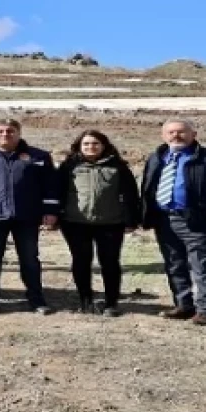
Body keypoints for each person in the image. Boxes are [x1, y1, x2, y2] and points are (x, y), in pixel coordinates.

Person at [141, 119, 206, 326]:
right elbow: (148, 187)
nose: (176, 136)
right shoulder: (157, 157)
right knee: (174, 264)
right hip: (164, 219)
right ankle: (184, 304)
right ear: (163, 135)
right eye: (171, 132)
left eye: (181, 132)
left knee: (203, 266)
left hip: (197, 220)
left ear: (193, 134)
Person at [0, 119, 60, 315]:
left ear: (18, 133)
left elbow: (51, 185)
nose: (5, 134)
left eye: (10, 131)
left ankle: (37, 300)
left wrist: (50, 211)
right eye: (0, 131)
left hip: (27, 216)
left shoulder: (38, 156)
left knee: (30, 259)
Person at [56, 130, 142, 317]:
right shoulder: (69, 167)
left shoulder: (118, 167)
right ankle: (85, 301)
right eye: (86, 144)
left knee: (110, 263)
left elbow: (130, 195)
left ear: (104, 145)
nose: (90, 147)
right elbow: (59, 193)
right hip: (75, 222)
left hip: (110, 223)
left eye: (95, 143)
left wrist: (131, 220)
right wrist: (56, 216)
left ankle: (111, 303)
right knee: (81, 262)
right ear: (79, 146)